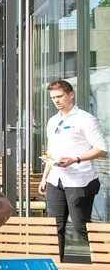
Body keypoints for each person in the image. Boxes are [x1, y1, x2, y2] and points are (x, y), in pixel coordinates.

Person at [38, 80, 107, 260]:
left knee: (80, 226)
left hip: (80, 180)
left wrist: (75, 159)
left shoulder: (85, 119)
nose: (56, 101)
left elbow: (101, 149)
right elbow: (51, 153)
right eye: (53, 98)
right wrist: (44, 178)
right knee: (54, 227)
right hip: (56, 180)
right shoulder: (53, 121)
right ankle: (55, 269)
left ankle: (105, 259)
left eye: (59, 96)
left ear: (71, 95)